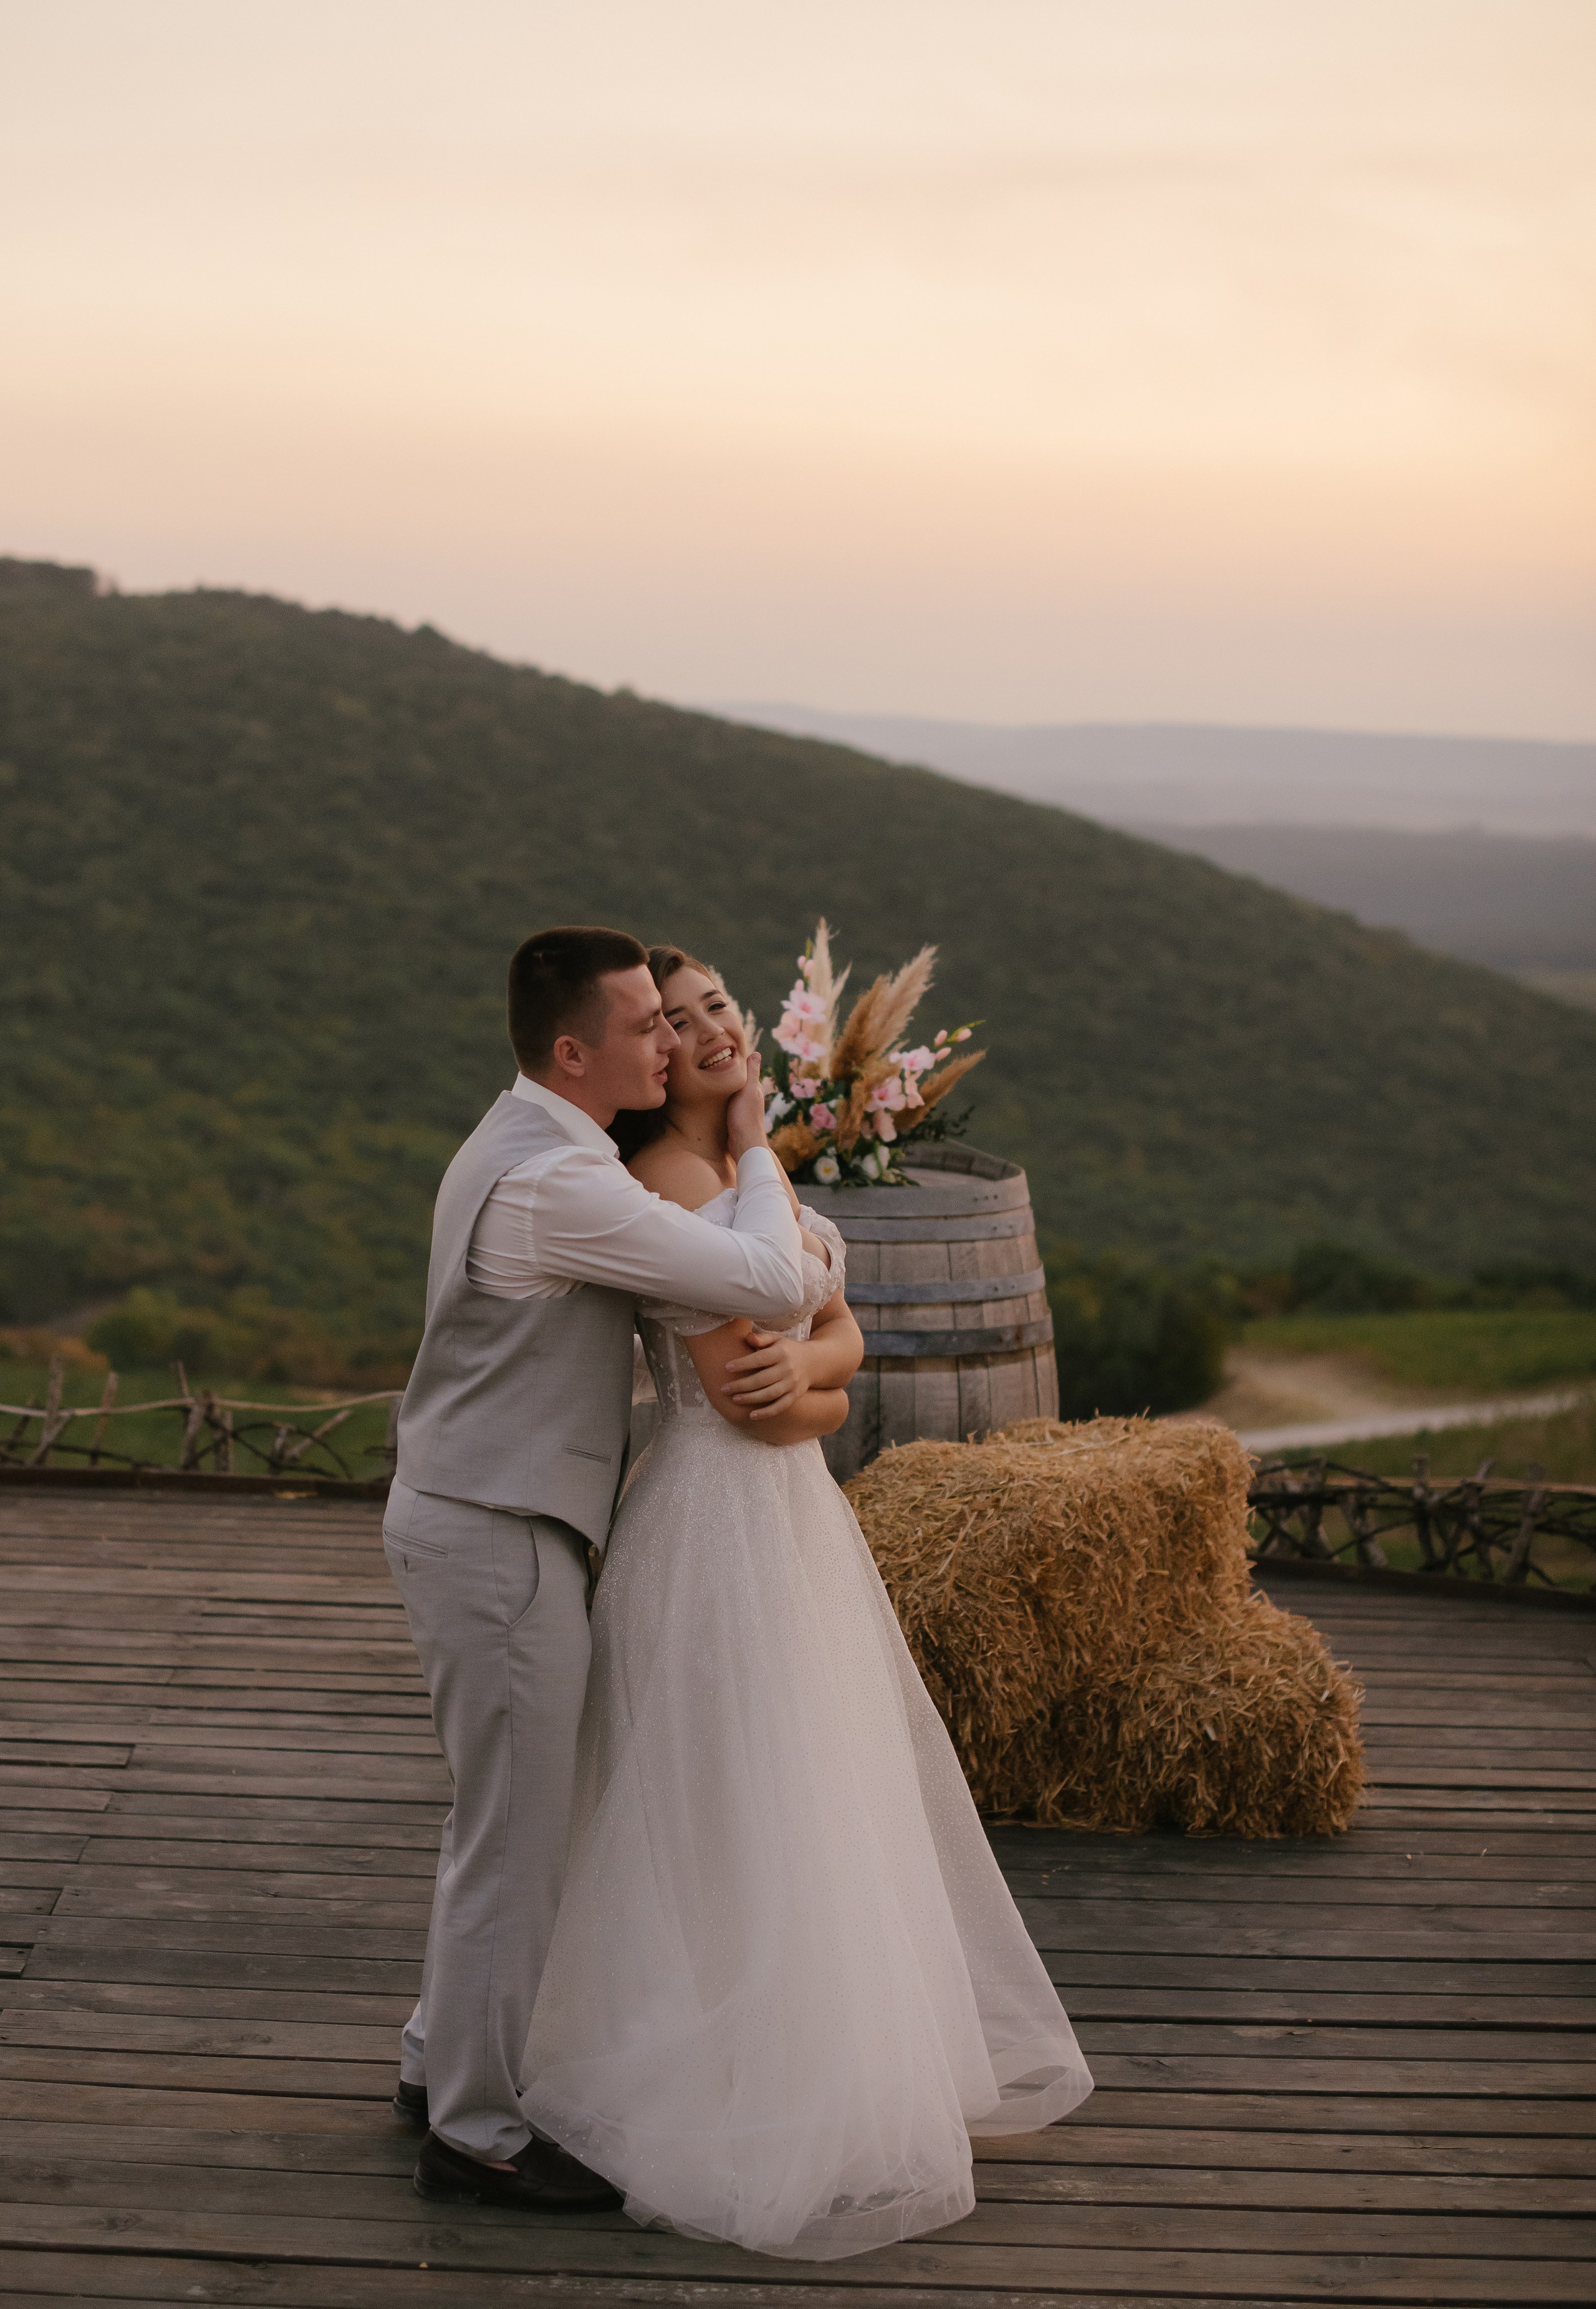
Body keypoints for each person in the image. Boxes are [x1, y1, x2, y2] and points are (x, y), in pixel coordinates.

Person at [518, 948, 1092, 2259]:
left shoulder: (737, 1167)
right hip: (719, 1523)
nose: (712, 1030)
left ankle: (827, 2057)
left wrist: (823, 1371)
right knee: (745, 1792)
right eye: (676, 1021)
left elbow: (836, 1337)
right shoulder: (675, 1181)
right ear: (650, 1057)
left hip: (787, 1517)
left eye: (720, 1003)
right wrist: (823, 1389)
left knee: (814, 1784)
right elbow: (749, 1402)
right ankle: (736, 2075)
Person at [384, 925, 805, 2212]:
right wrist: (754, 1147)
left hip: (478, 1514)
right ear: (574, 1054)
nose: (670, 1040)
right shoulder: (561, 1184)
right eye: (644, 1025)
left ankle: (435, 2062)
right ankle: (477, 2133)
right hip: (498, 1532)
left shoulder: (523, 1136)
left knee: (498, 1826)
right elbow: (770, 1279)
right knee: (515, 1843)